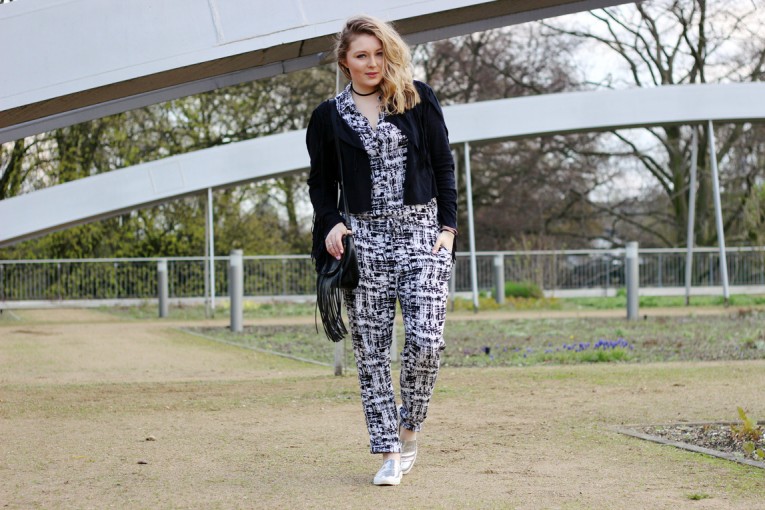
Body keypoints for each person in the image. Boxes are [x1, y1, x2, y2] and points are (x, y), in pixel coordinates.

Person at [306, 14, 457, 486]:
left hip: (421, 235)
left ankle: (409, 432)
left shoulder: (416, 97)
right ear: (345, 62)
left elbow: (444, 165)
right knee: (371, 354)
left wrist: (449, 229)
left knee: (427, 343)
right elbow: (320, 185)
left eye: (378, 53)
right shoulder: (327, 116)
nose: (372, 63)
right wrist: (331, 223)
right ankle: (388, 452)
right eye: (361, 55)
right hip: (364, 241)